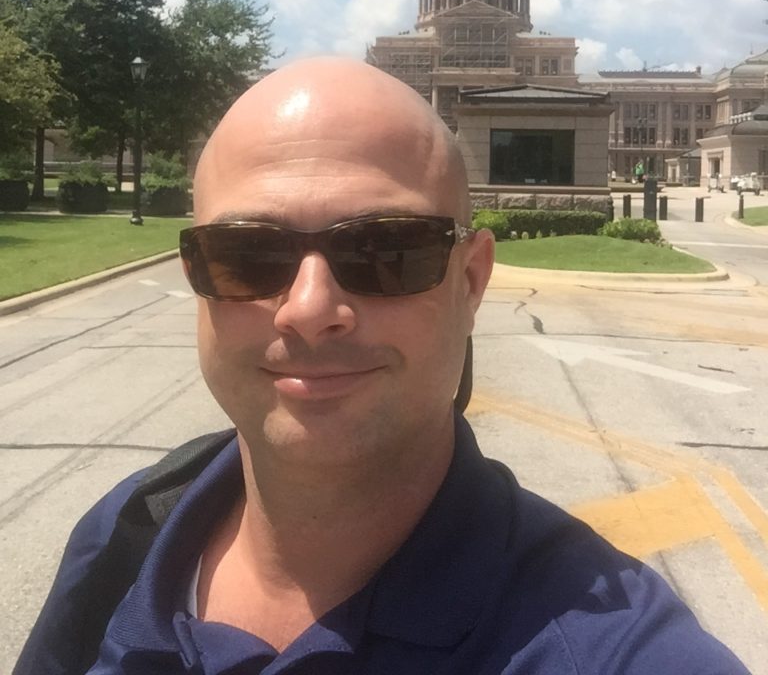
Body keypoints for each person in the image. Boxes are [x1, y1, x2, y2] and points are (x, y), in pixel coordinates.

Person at [15, 58, 750, 674]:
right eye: (247, 254)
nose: (307, 306)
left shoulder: (614, 648)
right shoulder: (121, 535)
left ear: (471, 281)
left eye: (386, 250)